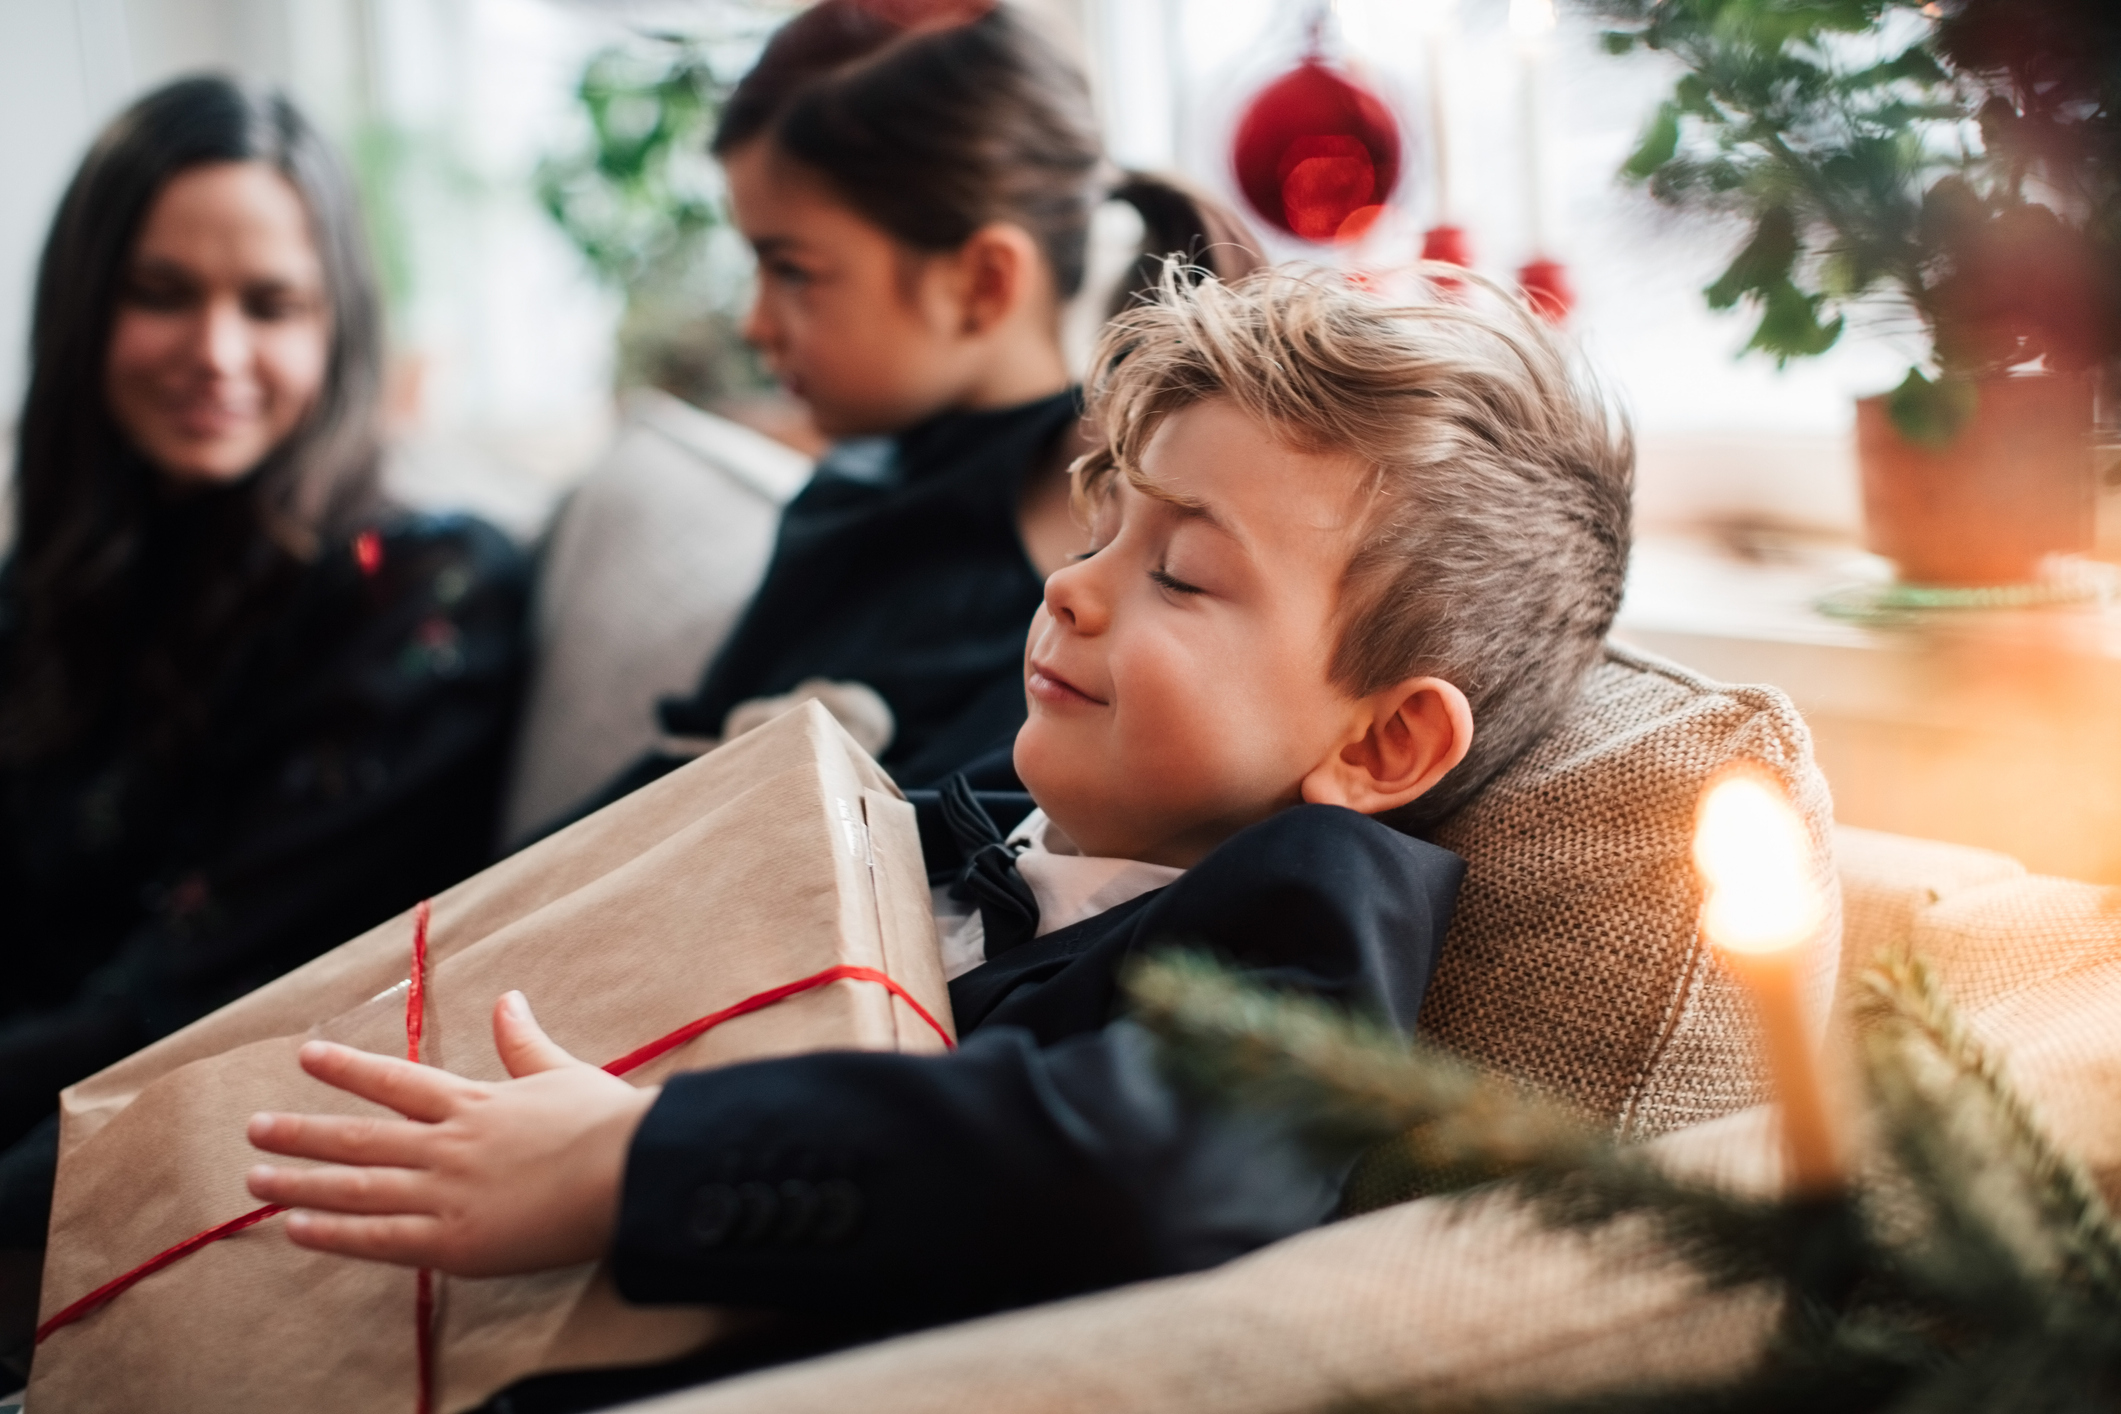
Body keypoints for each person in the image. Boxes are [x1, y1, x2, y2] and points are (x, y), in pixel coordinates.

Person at [245, 266, 1634, 1408]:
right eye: (1104, 525)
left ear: (1381, 744)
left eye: (1184, 571)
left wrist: (632, 1158)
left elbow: (1164, 1164)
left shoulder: (1313, 895)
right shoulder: (971, 798)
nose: (1072, 589)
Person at [0, 74, 529, 1313]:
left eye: (273, 304)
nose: (217, 352)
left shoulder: (430, 594)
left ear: (336, 327)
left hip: (154, 1176)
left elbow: (192, 999)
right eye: (162, 294)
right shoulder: (59, 577)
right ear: (85, 311)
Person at [558, 0, 1262, 827]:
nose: (754, 324)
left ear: (981, 283)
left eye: (792, 272)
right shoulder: (853, 489)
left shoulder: (1068, 595)